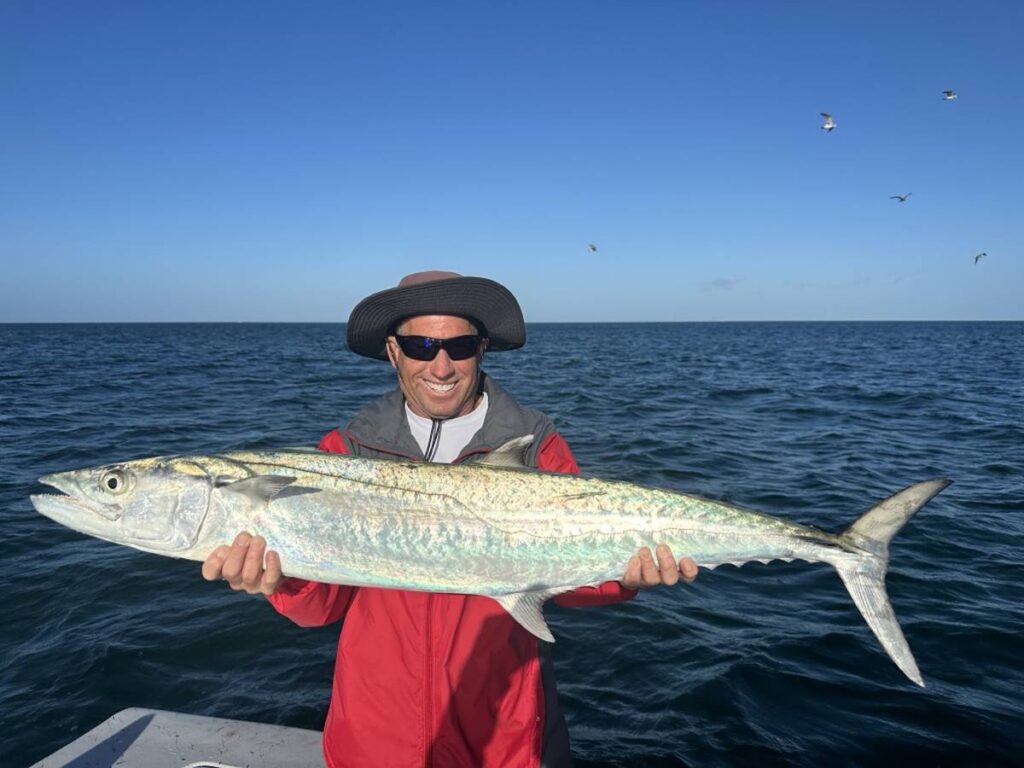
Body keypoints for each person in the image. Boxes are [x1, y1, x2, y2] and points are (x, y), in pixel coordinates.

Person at [202, 271, 698, 768]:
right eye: (421, 345)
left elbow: (571, 580)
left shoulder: (536, 445)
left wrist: (626, 577)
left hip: (501, 742)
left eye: (458, 345)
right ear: (393, 351)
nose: (441, 366)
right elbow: (321, 608)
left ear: (481, 348)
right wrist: (278, 580)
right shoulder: (345, 451)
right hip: (374, 742)